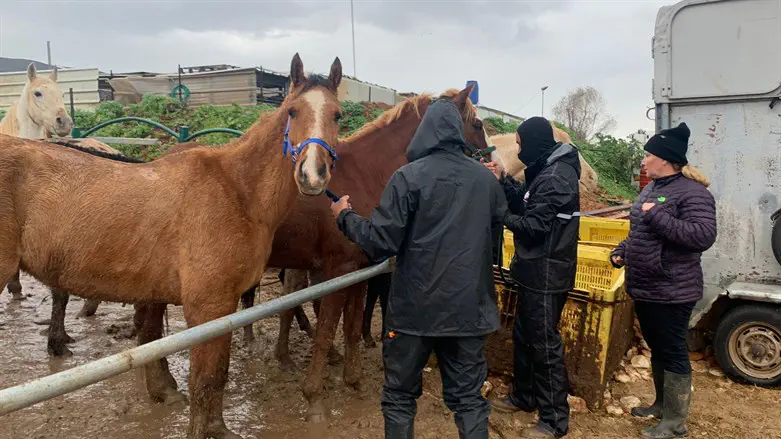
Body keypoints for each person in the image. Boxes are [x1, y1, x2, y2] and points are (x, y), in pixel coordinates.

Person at [329, 98, 507, 439]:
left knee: (399, 398)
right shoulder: (485, 181)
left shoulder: (407, 177)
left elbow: (381, 241)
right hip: (469, 312)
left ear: (424, 133)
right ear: (458, 132)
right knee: (469, 400)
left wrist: (345, 217)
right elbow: (496, 230)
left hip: (414, 313)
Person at [611, 122, 716, 439]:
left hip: (673, 289)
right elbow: (641, 233)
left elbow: (702, 236)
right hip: (647, 286)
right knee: (658, 348)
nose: (643, 161)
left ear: (665, 159)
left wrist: (656, 215)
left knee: (672, 351)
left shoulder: (693, 192)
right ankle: (661, 406)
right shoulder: (652, 188)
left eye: (648, 155)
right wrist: (622, 251)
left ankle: (674, 423)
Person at [482, 116, 580, 439]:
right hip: (535, 270)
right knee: (525, 335)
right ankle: (524, 396)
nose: (519, 150)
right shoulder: (546, 171)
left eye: (520, 144)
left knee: (544, 344)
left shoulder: (556, 178)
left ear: (535, 143)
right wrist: (503, 180)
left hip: (547, 274)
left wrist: (501, 216)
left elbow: (534, 226)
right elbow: (527, 200)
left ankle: (554, 420)